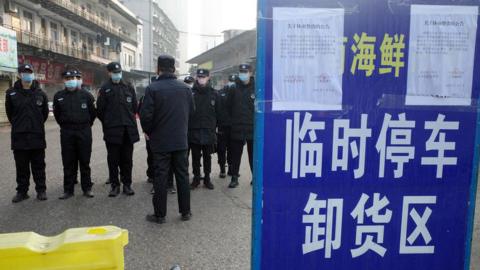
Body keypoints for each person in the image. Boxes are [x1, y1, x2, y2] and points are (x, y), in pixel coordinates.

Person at [140, 54, 193, 224]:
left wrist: (148, 131)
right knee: (183, 175)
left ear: (158, 69)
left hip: (160, 141)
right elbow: (192, 111)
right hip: (180, 140)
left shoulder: (152, 88)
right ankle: (185, 212)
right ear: (174, 69)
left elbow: (145, 115)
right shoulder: (185, 88)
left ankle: (160, 215)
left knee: (161, 177)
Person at [5, 64, 49, 202]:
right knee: (21, 167)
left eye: (29, 72)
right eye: (24, 72)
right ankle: (22, 192)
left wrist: (35, 124)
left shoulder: (40, 93)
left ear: (33, 74)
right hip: (19, 137)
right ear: (19, 75)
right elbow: (10, 113)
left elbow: (45, 114)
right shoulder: (11, 93)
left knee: (39, 166)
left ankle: (41, 190)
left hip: (37, 136)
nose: (27, 75)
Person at [97, 62, 139, 197]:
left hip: (128, 131)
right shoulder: (104, 89)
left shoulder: (129, 87)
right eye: (114, 72)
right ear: (109, 73)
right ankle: (115, 185)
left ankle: (127, 184)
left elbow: (134, 107)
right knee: (113, 160)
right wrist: (110, 122)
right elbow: (100, 111)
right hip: (112, 131)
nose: (117, 74)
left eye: (119, 72)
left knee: (127, 160)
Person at [53, 69, 96, 199]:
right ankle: (68, 190)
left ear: (77, 80)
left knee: (84, 161)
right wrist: (66, 125)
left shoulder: (87, 95)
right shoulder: (59, 96)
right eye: (68, 79)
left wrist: (86, 125)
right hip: (67, 132)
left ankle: (87, 188)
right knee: (68, 162)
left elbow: (93, 114)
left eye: (73, 78)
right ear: (64, 81)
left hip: (84, 131)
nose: (71, 81)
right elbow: (57, 115)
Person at [189, 69, 218, 190]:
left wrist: (216, 128)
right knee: (195, 156)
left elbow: (219, 112)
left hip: (208, 130)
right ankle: (196, 178)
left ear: (208, 77)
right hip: (194, 130)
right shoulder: (190, 93)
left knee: (207, 156)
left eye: (204, 76)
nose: (201, 78)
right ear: (196, 77)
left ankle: (207, 178)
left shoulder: (214, 93)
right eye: (199, 76)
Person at [227, 64, 255, 188]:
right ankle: (234, 178)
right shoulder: (233, 88)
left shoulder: (256, 88)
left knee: (253, 155)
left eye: (245, 71)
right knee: (235, 155)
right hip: (237, 127)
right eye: (241, 71)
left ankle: (256, 177)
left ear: (250, 72)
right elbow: (228, 107)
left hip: (252, 127)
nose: (243, 74)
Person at [216, 74, 236, 178]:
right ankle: (222, 169)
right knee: (221, 149)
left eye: (233, 81)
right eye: (230, 81)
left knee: (232, 149)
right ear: (227, 81)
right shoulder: (220, 93)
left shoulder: (237, 93)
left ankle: (231, 170)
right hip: (222, 126)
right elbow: (217, 110)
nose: (231, 83)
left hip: (233, 127)